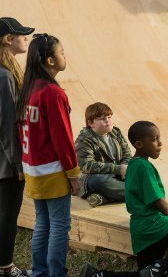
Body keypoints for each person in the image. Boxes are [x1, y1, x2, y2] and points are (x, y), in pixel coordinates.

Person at [80, 121, 168, 277]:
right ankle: (163, 265)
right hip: (155, 225)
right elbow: (158, 200)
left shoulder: (133, 164)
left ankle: (97, 275)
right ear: (139, 144)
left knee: (144, 275)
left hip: (141, 230)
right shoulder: (144, 166)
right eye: (154, 139)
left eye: (159, 138)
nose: (160, 143)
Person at [16, 33, 81, 277]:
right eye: (61, 52)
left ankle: (40, 272)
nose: (65, 56)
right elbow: (62, 138)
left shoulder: (28, 89)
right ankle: (56, 273)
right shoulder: (53, 93)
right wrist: (73, 174)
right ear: (50, 61)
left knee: (42, 224)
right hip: (52, 171)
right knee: (59, 226)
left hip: (32, 169)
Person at [0, 17, 34, 277]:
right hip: (6, 163)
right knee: (7, 215)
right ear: (8, 40)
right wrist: (18, 163)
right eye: (22, 35)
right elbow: (8, 124)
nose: (26, 38)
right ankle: (6, 268)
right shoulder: (4, 76)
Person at [75, 102, 132, 208]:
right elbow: (87, 166)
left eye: (109, 117)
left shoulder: (116, 132)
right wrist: (118, 169)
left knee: (142, 167)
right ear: (91, 123)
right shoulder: (84, 140)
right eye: (102, 119)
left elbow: (127, 154)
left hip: (118, 175)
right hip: (96, 177)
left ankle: (104, 198)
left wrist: (125, 167)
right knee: (98, 181)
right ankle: (137, 193)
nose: (107, 121)